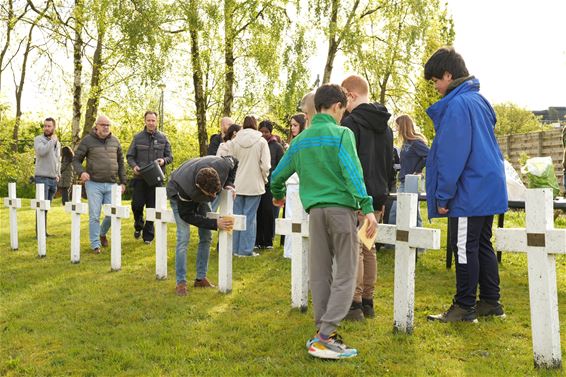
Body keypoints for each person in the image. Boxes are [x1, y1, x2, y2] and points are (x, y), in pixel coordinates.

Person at [271, 84, 378, 359]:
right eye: (342, 110)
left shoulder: (300, 140)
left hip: (315, 213)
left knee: (319, 273)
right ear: (337, 107)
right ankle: (324, 335)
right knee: (346, 272)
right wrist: (366, 208)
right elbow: (353, 173)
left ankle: (324, 334)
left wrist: (278, 196)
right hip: (341, 211)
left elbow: (277, 177)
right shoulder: (342, 134)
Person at [423, 47, 507, 323]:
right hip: (487, 184)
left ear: (448, 75)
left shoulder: (457, 105)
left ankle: (464, 307)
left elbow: (452, 155)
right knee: (482, 243)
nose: (435, 87)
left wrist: (443, 196)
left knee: (463, 246)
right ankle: (491, 302)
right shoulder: (479, 100)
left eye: (436, 80)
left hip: (469, 189)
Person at [340, 74, 393, 321]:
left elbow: (349, 163)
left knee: (357, 250)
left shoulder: (351, 125)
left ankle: (355, 302)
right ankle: (368, 301)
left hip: (358, 195)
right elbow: (389, 163)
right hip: (379, 193)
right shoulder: (387, 127)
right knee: (368, 247)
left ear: (350, 95)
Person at [166, 156, 238, 295]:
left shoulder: (222, 165)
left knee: (206, 236)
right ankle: (181, 283)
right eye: (210, 194)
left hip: (197, 185)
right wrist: (214, 223)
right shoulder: (185, 189)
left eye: (215, 192)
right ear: (199, 188)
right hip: (178, 192)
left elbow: (235, 161)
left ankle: (200, 278)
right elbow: (187, 215)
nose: (213, 196)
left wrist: (229, 184)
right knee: (183, 237)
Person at [73, 115, 127, 254]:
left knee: (112, 214)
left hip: (111, 184)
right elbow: (76, 160)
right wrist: (82, 173)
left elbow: (121, 163)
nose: (106, 127)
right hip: (93, 184)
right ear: (96, 126)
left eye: (108, 125)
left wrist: (123, 182)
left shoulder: (115, 141)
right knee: (95, 216)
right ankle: (95, 244)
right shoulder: (87, 141)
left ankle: (102, 233)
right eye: (103, 125)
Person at [218, 116, 270, 257]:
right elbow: (265, 166)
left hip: (236, 184)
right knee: (250, 217)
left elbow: (225, 159)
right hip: (254, 184)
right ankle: (246, 250)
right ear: (255, 125)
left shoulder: (234, 141)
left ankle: (234, 248)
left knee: (236, 216)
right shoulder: (261, 142)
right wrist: (264, 179)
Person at [126, 111, 173, 244]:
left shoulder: (164, 138)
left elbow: (170, 157)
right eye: (149, 120)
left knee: (152, 208)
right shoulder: (137, 137)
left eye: (153, 120)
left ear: (156, 121)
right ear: (145, 121)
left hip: (156, 179)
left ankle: (148, 236)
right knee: (136, 205)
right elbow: (130, 156)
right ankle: (138, 225)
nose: (151, 123)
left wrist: (163, 161)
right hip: (140, 179)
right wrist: (134, 166)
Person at [388, 115, 429, 231]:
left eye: (397, 125)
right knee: (396, 211)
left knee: (413, 212)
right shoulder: (405, 143)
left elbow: (429, 155)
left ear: (403, 126)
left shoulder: (416, 142)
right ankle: (391, 243)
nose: (396, 129)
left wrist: (418, 170)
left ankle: (419, 245)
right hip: (403, 181)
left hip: (412, 181)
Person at [255, 119, 284, 249]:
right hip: (258, 183)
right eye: (261, 131)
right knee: (258, 212)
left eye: (266, 132)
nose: (264, 134)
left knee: (268, 212)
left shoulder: (276, 146)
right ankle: (257, 240)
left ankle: (267, 241)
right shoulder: (257, 144)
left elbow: (281, 165)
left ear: (270, 132)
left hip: (270, 183)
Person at [283, 113, 307, 258]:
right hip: (292, 184)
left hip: (301, 183)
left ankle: (299, 250)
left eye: (295, 125)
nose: (292, 128)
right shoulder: (294, 142)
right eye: (291, 125)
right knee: (291, 218)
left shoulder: (303, 141)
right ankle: (290, 251)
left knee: (301, 218)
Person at [34, 117, 61, 236]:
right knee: (41, 207)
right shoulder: (38, 139)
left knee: (47, 207)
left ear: (53, 127)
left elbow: (58, 159)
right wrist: (52, 142)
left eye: (49, 126)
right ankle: (40, 232)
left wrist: (58, 174)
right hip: (41, 178)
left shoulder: (57, 142)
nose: (46, 128)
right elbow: (42, 152)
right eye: (45, 126)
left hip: (52, 179)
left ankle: (43, 231)